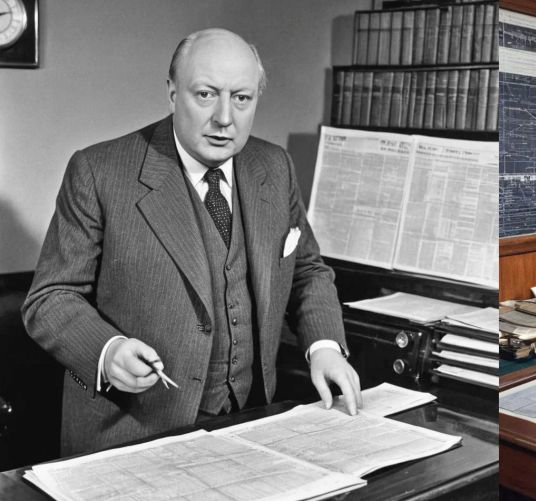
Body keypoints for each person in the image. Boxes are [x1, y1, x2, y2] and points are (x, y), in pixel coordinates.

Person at [22, 28, 362, 455]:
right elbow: (50, 298)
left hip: (250, 426)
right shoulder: (98, 171)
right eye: (205, 95)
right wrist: (108, 352)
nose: (225, 117)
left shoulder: (274, 167)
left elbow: (308, 271)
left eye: (242, 98)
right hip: (134, 433)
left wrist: (324, 346)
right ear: (171, 93)